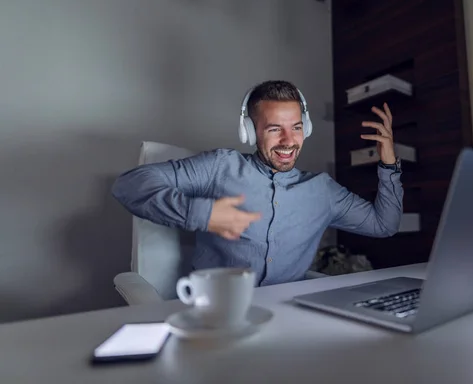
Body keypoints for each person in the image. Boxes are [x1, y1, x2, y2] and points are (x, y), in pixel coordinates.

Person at [112, 80, 403, 286]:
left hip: (287, 318)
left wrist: (389, 164)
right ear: (250, 132)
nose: (289, 141)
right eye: (275, 129)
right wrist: (202, 214)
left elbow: (384, 224)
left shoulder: (323, 191)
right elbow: (128, 185)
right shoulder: (220, 167)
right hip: (217, 313)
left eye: (297, 128)